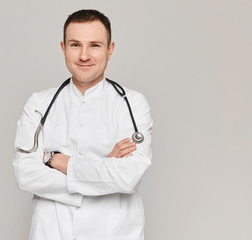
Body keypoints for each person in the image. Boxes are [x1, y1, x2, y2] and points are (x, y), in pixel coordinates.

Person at [13, 9, 153, 240]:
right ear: (63, 48)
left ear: (110, 49)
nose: (84, 56)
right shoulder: (39, 103)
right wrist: (104, 167)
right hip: (52, 232)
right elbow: (26, 175)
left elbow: (128, 177)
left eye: (95, 45)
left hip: (115, 232)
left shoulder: (133, 104)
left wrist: (56, 161)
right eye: (75, 45)